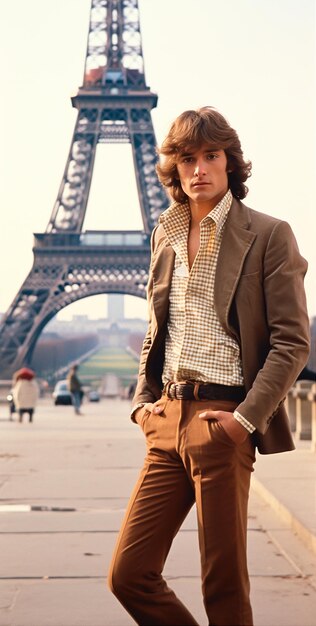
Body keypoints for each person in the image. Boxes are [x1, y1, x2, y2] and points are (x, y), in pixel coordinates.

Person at [108, 106, 310, 626]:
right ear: (174, 167)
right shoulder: (165, 234)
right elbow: (159, 327)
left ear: (230, 163)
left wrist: (243, 421)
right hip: (166, 421)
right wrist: (142, 405)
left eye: (211, 156)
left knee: (222, 589)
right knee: (128, 574)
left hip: (223, 420)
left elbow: (291, 342)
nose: (200, 168)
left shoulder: (268, 234)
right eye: (188, 158)